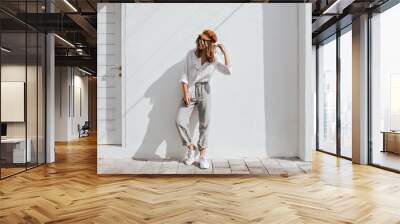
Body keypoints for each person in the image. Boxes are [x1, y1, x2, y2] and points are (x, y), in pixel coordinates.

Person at [176, 29, 232, 169]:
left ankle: (202, 156)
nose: (201, 42)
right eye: (200, 39)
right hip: (190, 90)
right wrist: (185, 93)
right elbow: (184, 75)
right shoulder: (190, 54)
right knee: (180, 121)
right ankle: (190, 148)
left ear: (210, 44)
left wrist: (225, 52)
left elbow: (228, 71)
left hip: (205, 91)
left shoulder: (214, 58)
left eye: (205, 41)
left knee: (204, 124)